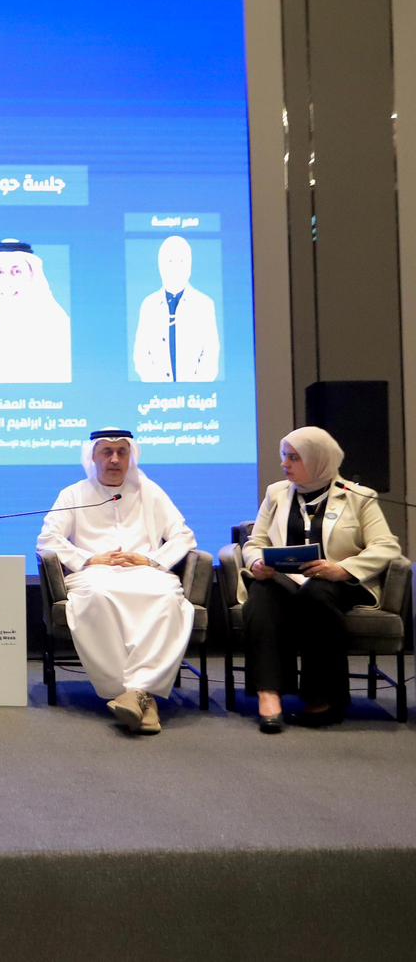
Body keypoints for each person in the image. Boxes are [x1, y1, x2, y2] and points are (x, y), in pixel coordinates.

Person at [241, 427, 402, 732]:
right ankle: (269, 695)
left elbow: (386, 546)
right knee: (261, 594)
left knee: (316, 595)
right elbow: (254, 542)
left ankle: (323, 699)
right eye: (284, 456)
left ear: (318, 459)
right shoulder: (276, 493)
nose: (285, 464)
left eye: (294, 457)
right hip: (285, 579)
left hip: (337, 583)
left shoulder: (358, 496)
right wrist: (257, 561)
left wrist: (343, 569)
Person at [36, 428, 196, 734]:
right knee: (98, 595)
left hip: (145, 573)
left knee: (167, 597)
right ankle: (140, 694)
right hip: (94, 574)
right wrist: (87, 559)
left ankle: (133, 694)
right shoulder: (74, 494)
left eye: (122, 452)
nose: (114, 459)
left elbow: (183, 535)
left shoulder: (150, 492)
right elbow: (48, 539)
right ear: (93, 457)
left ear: (131, 456)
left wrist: (151, 560)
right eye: (106, 452)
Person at [0, 240, 71, 383]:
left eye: (16, 271)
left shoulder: (58, 325)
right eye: (0, 272)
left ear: (32, 275)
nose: (7, 281)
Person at [133, 234, 220, 382]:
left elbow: (210, 356)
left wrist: (189, 390)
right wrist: (160, 389)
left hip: (196, 393)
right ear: (160, 266)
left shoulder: (204, 305)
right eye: (170, 261)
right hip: (155, 392)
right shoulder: (148, 306)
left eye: (181, 261)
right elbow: (141, 357)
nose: (175, 267)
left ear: (190, 266)